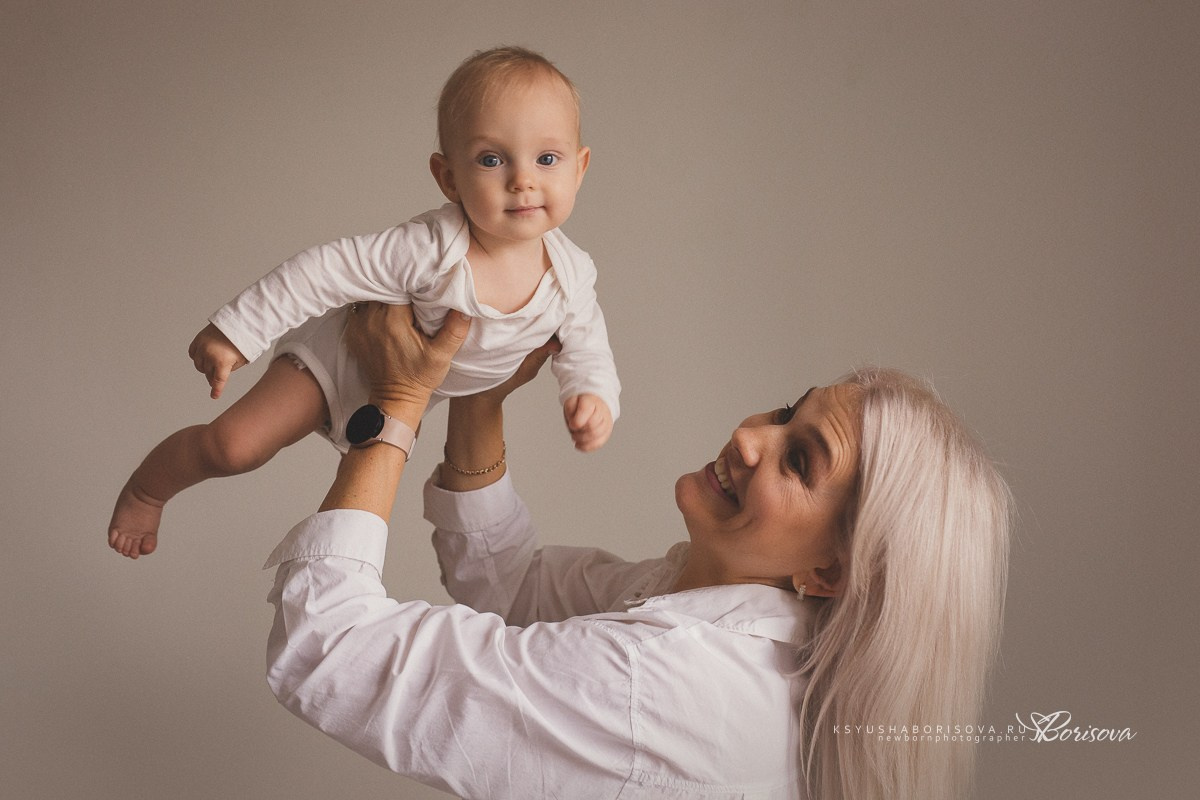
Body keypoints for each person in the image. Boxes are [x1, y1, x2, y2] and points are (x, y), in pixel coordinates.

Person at [264, 302, 1012, 800]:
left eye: (799, 461)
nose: (751, 438)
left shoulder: (664, 681)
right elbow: (513, 583)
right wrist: (478, 387)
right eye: (787, 413)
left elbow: (330, 649)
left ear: (830, 570)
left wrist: (396, 410)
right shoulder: (746, 625)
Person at [108, 46, 619, 559]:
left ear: (580, 168)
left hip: (407, 396)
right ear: (448, 178)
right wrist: (236, 331)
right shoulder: (432, 247)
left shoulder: (571, 275)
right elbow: (327, 269)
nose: (523, 180)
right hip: (338, 363)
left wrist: (591, 394)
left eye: (546, 159)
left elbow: (587, 344)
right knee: (233, 448)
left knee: (367, 509)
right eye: (492, 159)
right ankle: (146, 490)